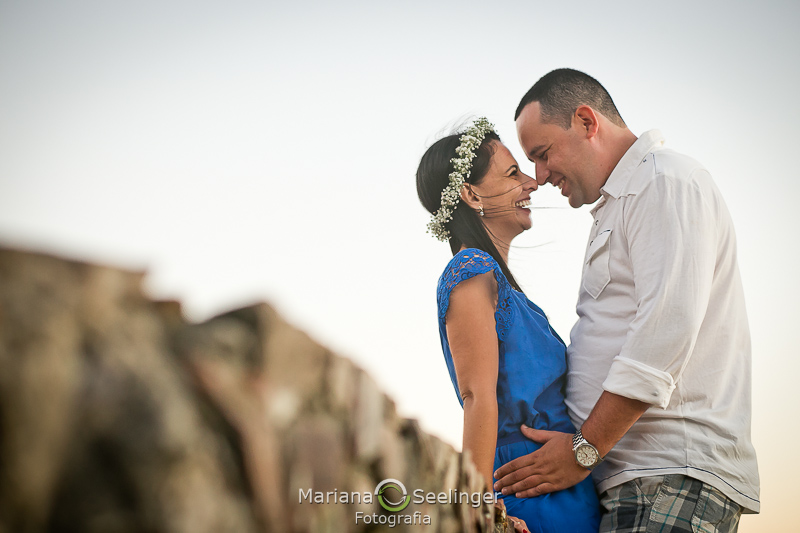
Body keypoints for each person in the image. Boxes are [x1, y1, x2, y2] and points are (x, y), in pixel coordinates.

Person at [492, 69, 760, 532]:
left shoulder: (664, 182)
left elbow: (664, 335)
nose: (539, 175)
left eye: (542, 153)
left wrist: (583, 450)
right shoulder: (621, 202)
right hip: (634, 479)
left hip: (672, 475)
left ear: (585, 121)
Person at [417, 117, 601, 532]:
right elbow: (477, 397)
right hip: (529, 492)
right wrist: (480, 516)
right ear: (470, 194)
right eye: (512, 172)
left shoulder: (506, 288)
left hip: (563, 486)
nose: (532, 183)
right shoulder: (471, 269)